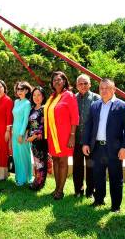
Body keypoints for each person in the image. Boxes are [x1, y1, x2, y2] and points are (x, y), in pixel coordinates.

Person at [82, 78, 125, 213]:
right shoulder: (95, 105)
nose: (104, 91)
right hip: (97, 148)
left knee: (116, 177)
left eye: (107, 88)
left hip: (115, 149)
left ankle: (115, 206)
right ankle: (99, 200)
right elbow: (88, 125)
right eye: (101, 88)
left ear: (114, 89)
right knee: (98, 175)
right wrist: (85, 143)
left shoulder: (123, 106)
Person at [44, 71, 79, 200]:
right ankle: (56, 187)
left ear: (64, 81)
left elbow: (75, 117)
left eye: (59, 79)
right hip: (53, 135)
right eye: (54, 80)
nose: (57, 82)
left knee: (63, 161)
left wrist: (72, 135)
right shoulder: (52, 96)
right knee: (55, 160)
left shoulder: (69, 95)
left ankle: (60, 190)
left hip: (65, 134)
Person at [73, 74, 100, 198]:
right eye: (80, 83)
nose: (83, 86)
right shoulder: (73, 98)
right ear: (76, 85)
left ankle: (90, 191)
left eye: (85, 83)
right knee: (77, 166)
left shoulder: (97, 98)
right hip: (77, 139)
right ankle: (78, 190)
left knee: (90, 167)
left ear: (90, 84)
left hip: (91, 141)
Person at [27, 86, 48, 191]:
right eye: (34, 95)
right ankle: (37, 180)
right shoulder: (32, 109)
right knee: (36, 161)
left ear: (43, 96)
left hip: (40, 139)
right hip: (32, 140)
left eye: (39, 94)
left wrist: (34, 136)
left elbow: (43, 125)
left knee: (41, 162)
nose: (36, 97)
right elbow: (29, 124)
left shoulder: (44, 108)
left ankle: (39, 183)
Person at [12, 81, 33, 186]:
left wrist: (21, 134)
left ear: (26, 90)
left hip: (22, 133)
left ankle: (25, 178)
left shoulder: (27, 103)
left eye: (22, 89)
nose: (19, 91)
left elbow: (26, 121)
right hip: (14, 132)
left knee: (23, 155)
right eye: (18, 89)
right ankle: (18, 177)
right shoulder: (16, 102)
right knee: (16, 156)